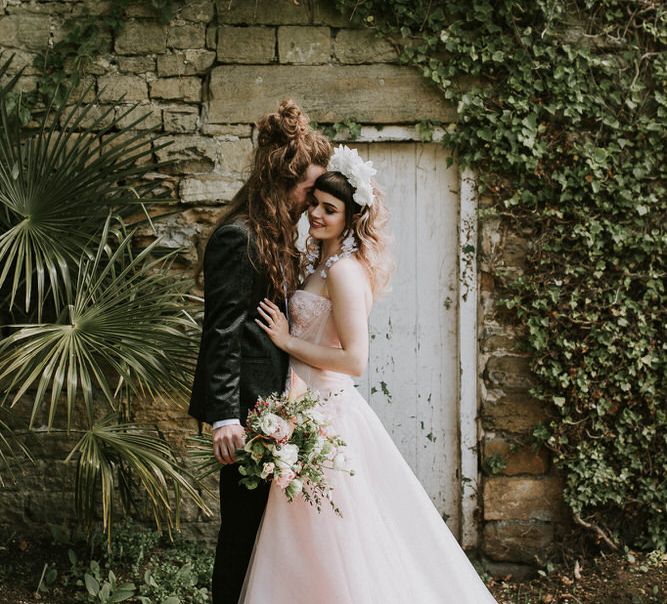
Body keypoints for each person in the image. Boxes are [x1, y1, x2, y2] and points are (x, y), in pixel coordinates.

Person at [242, 145, 498, 603]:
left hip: (327, 416)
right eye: (315, 204)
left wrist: (286, 341)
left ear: (350, 218)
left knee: (335, 538)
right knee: (303, 540)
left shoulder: (343, 273)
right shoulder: (318, 263)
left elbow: (355, 360)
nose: (315, 214)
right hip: (302, 408)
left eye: (329, 209)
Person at [188, 99, 332, 604]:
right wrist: (225, 417)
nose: (311, 202)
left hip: (276, 407)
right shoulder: (238, 236)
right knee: (242, 535)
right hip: (246, 415)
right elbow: (221, 333)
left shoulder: (277, 236)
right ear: (279, 181)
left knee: (269, 541)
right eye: (308, 190)